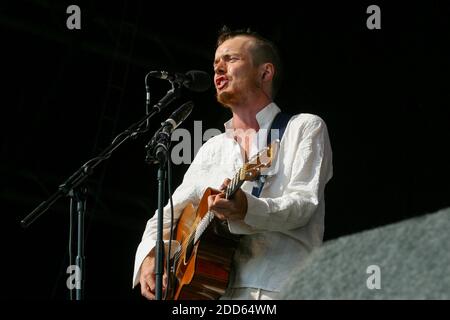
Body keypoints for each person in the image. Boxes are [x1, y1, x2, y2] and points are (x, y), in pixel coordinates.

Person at [132, 27, 333, 300]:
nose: (218, 70)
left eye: (231, 59)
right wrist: (149, 259)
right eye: (215, 64)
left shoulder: (303, 128)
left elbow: (303, 205)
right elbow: (163, 218)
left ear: (265, 73)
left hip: (278, 287)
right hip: (213, 293)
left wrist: (245, 207)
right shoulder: (212, 149)